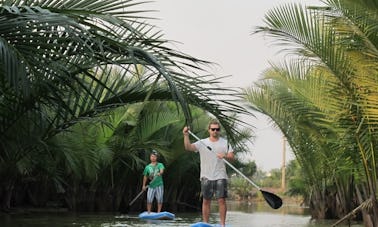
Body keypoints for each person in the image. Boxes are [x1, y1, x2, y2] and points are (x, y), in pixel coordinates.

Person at [183, 119, 234, 227]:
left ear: (219, 130)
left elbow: (232, 157)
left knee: (221, 200)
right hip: (206, 176)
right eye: (213, 129)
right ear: (209, 130)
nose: (215, 131)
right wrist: (186, 135)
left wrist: (224, 156)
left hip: (220, 175)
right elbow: (188, 147)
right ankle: (205, 224)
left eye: (217, 129)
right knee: (206, 200)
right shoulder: (202, 142)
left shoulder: (225, 142)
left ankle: (222, 224)